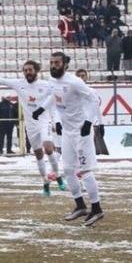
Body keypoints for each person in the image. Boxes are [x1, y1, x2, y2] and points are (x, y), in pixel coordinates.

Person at [33, 52, 103, 226]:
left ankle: (97, 209)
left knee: (85, 171)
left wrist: (88, 122)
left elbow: (95, 99)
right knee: (69, 170)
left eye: (57, 62)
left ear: (65, 64)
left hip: (82, 132)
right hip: (67, 132)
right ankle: (80, 205)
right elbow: (53, 97)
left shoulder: (75, 82)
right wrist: (41, 109)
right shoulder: (52, 80)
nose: (53, 65)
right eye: (51, 62)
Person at [0, 54, 67, 194]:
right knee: (38, 154)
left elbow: (53, 101)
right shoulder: (19, 83)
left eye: (30, 70)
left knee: (48, 148)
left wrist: (56, 120)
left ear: (36, 71)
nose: (28, 72)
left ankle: (57, 175)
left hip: (44, 122)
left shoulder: (45, 85)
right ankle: (45, 181)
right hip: (30, 125)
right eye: (25, 70)